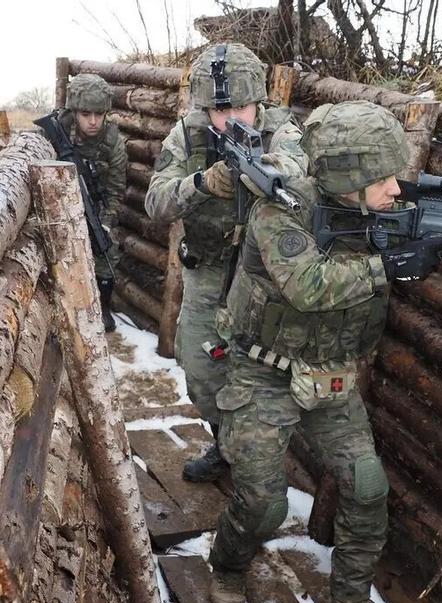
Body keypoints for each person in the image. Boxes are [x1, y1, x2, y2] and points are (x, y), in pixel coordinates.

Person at [204, 101, 442, 603]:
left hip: (332, 379)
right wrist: (386, 266)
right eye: (381, 178)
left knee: (368, 490)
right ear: (346, 177)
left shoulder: (381, 212)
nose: (395, 189)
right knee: (264, 505)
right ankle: (227, 566)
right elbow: (309, 286)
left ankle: (349, 599)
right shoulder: (282, 209)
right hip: (262, 373)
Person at [145, 43, 307, 482]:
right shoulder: (189, 133)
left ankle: (256, 468)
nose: (231, 119)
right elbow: (155, 202)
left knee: (260, 374)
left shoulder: (280, 130)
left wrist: (261, 170)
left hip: (262, 278)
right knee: (199, 371)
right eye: (221, 110)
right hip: (209, 271)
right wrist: (202, 184)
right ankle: (224, 444)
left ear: (259, 101)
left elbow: (295, 168)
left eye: (241, 107)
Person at [54, 73, 127, 332]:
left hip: (95, 206)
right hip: (57, 205)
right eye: (86, 114)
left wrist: (105, 224)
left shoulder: (112, 142)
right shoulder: (56, 130)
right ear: (75, 112)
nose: (93, 121)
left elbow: (116, 191)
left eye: (99, 114)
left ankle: (103, 307)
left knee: (107, 251)